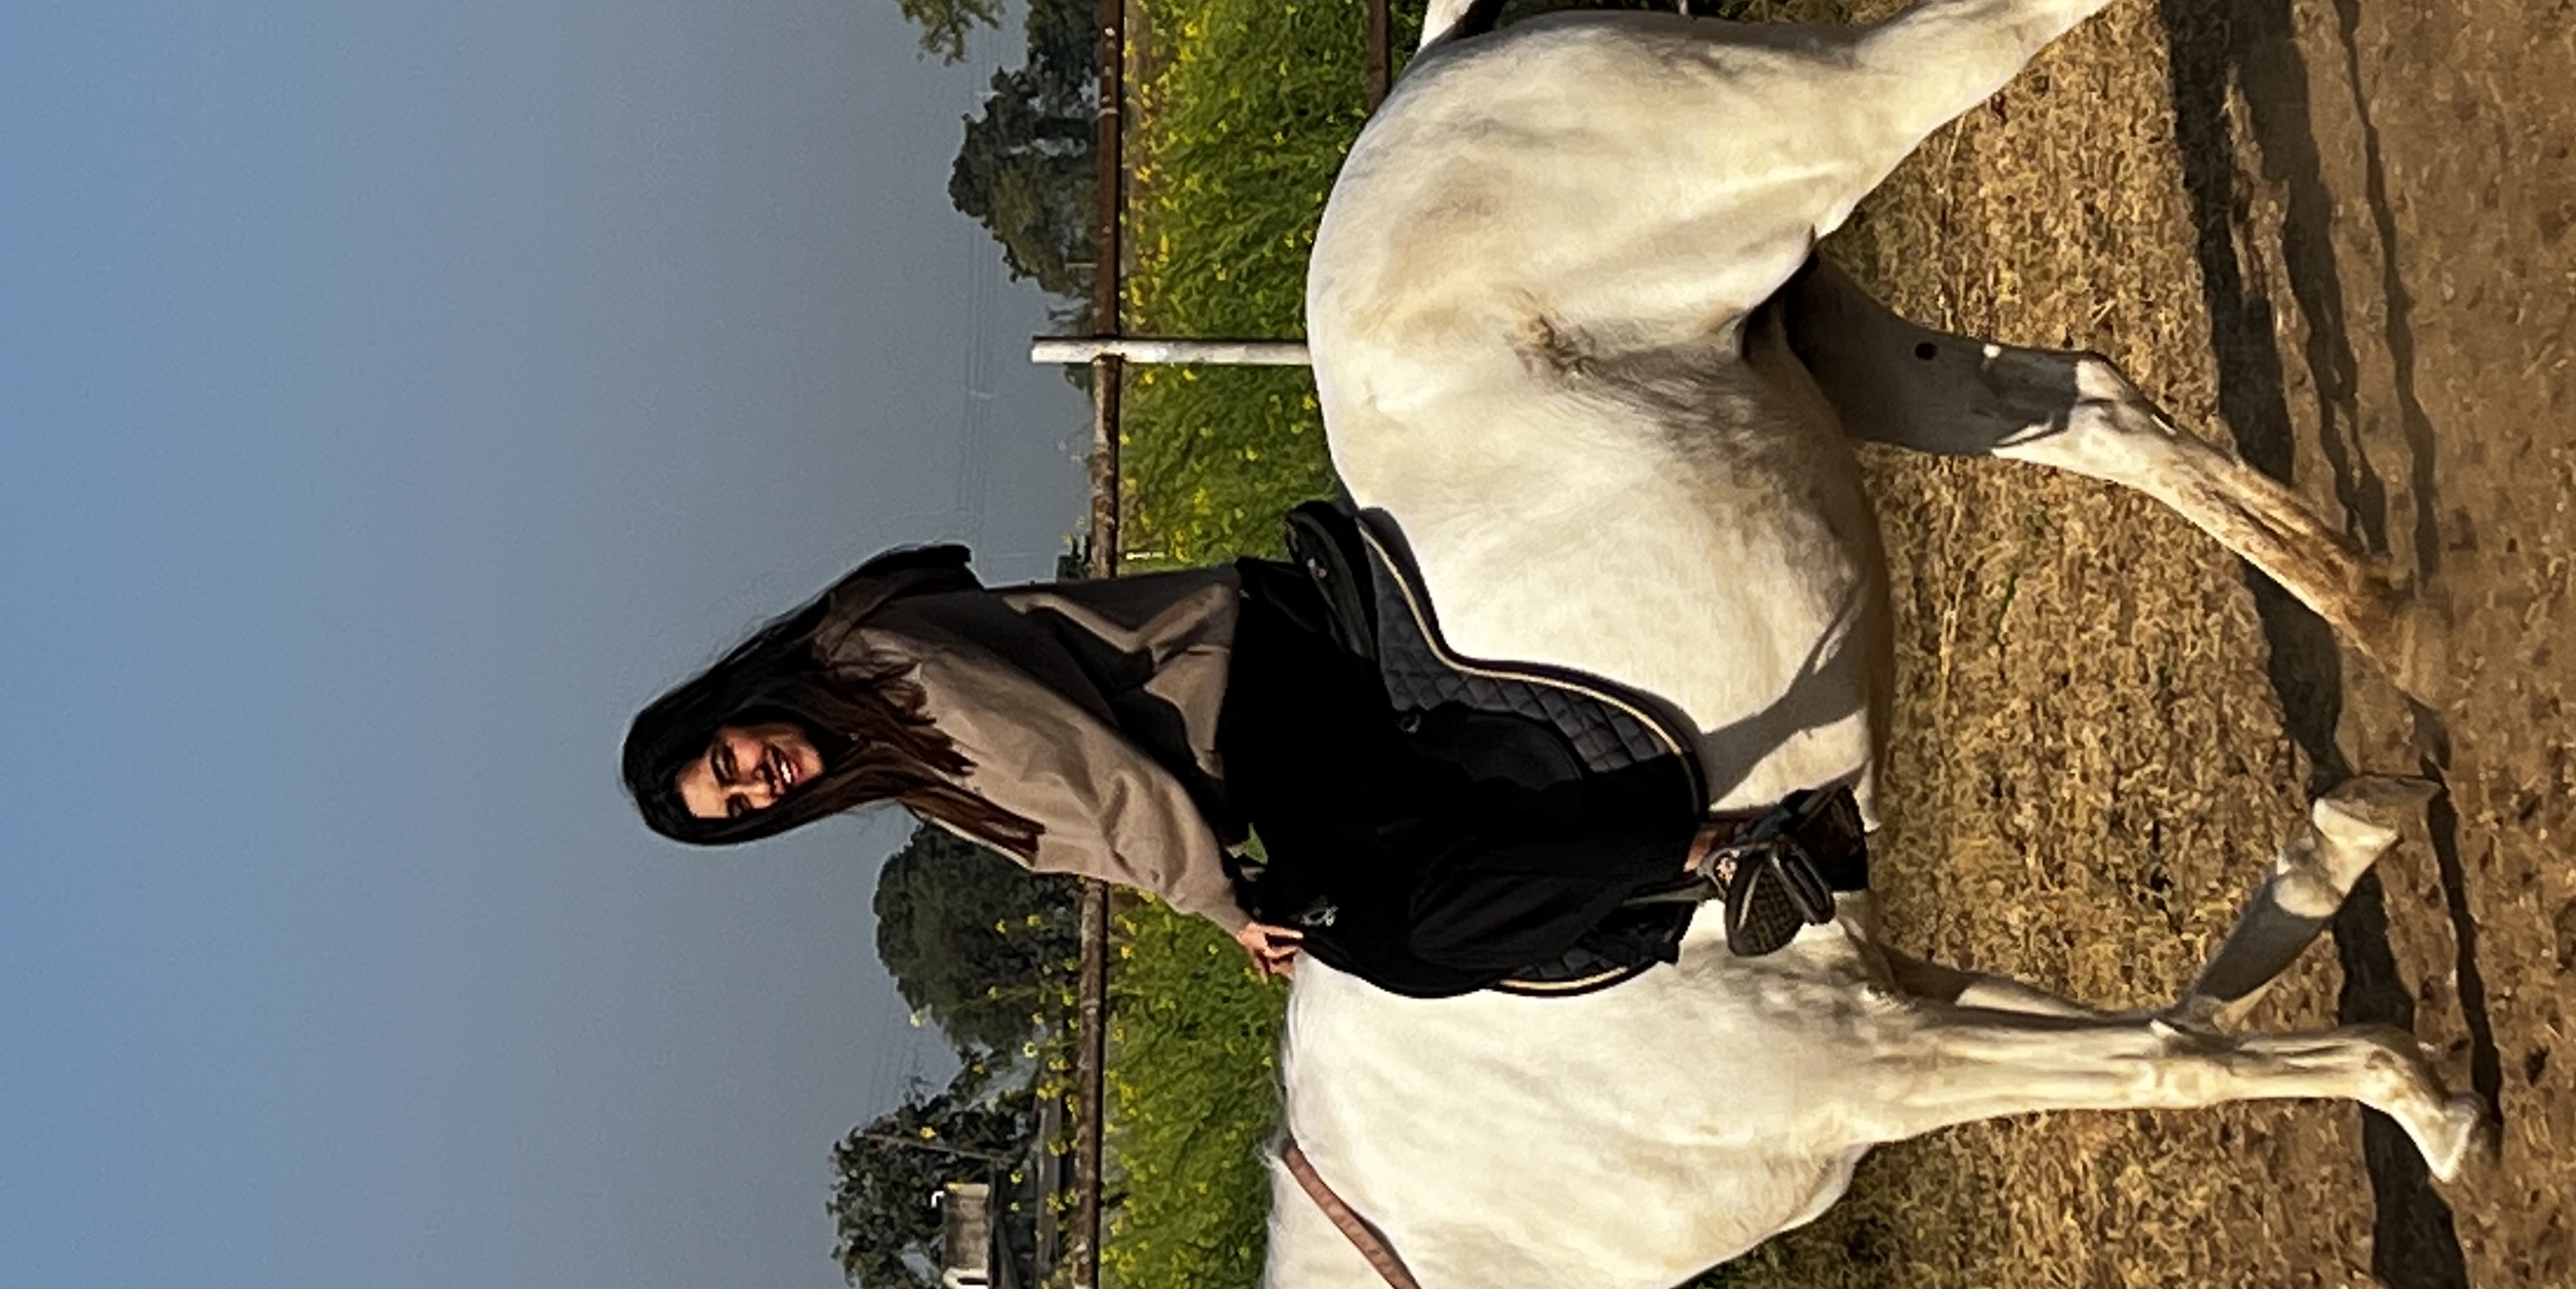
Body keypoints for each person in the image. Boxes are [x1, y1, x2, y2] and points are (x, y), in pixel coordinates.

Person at [622, 539, 1844, 995]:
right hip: (1230, 760)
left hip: (1241, 672)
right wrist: (1223, 897)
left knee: (1387, 922)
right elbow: (1081, 835)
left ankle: (1722, 849)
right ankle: (1710, 864)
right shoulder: (890, 762)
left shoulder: (881, 665)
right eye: (740, 803)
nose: (758, 779)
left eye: (728, 758)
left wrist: (1223, 907)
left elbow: (1091, 776)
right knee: (1385, 943)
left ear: (732, 706)